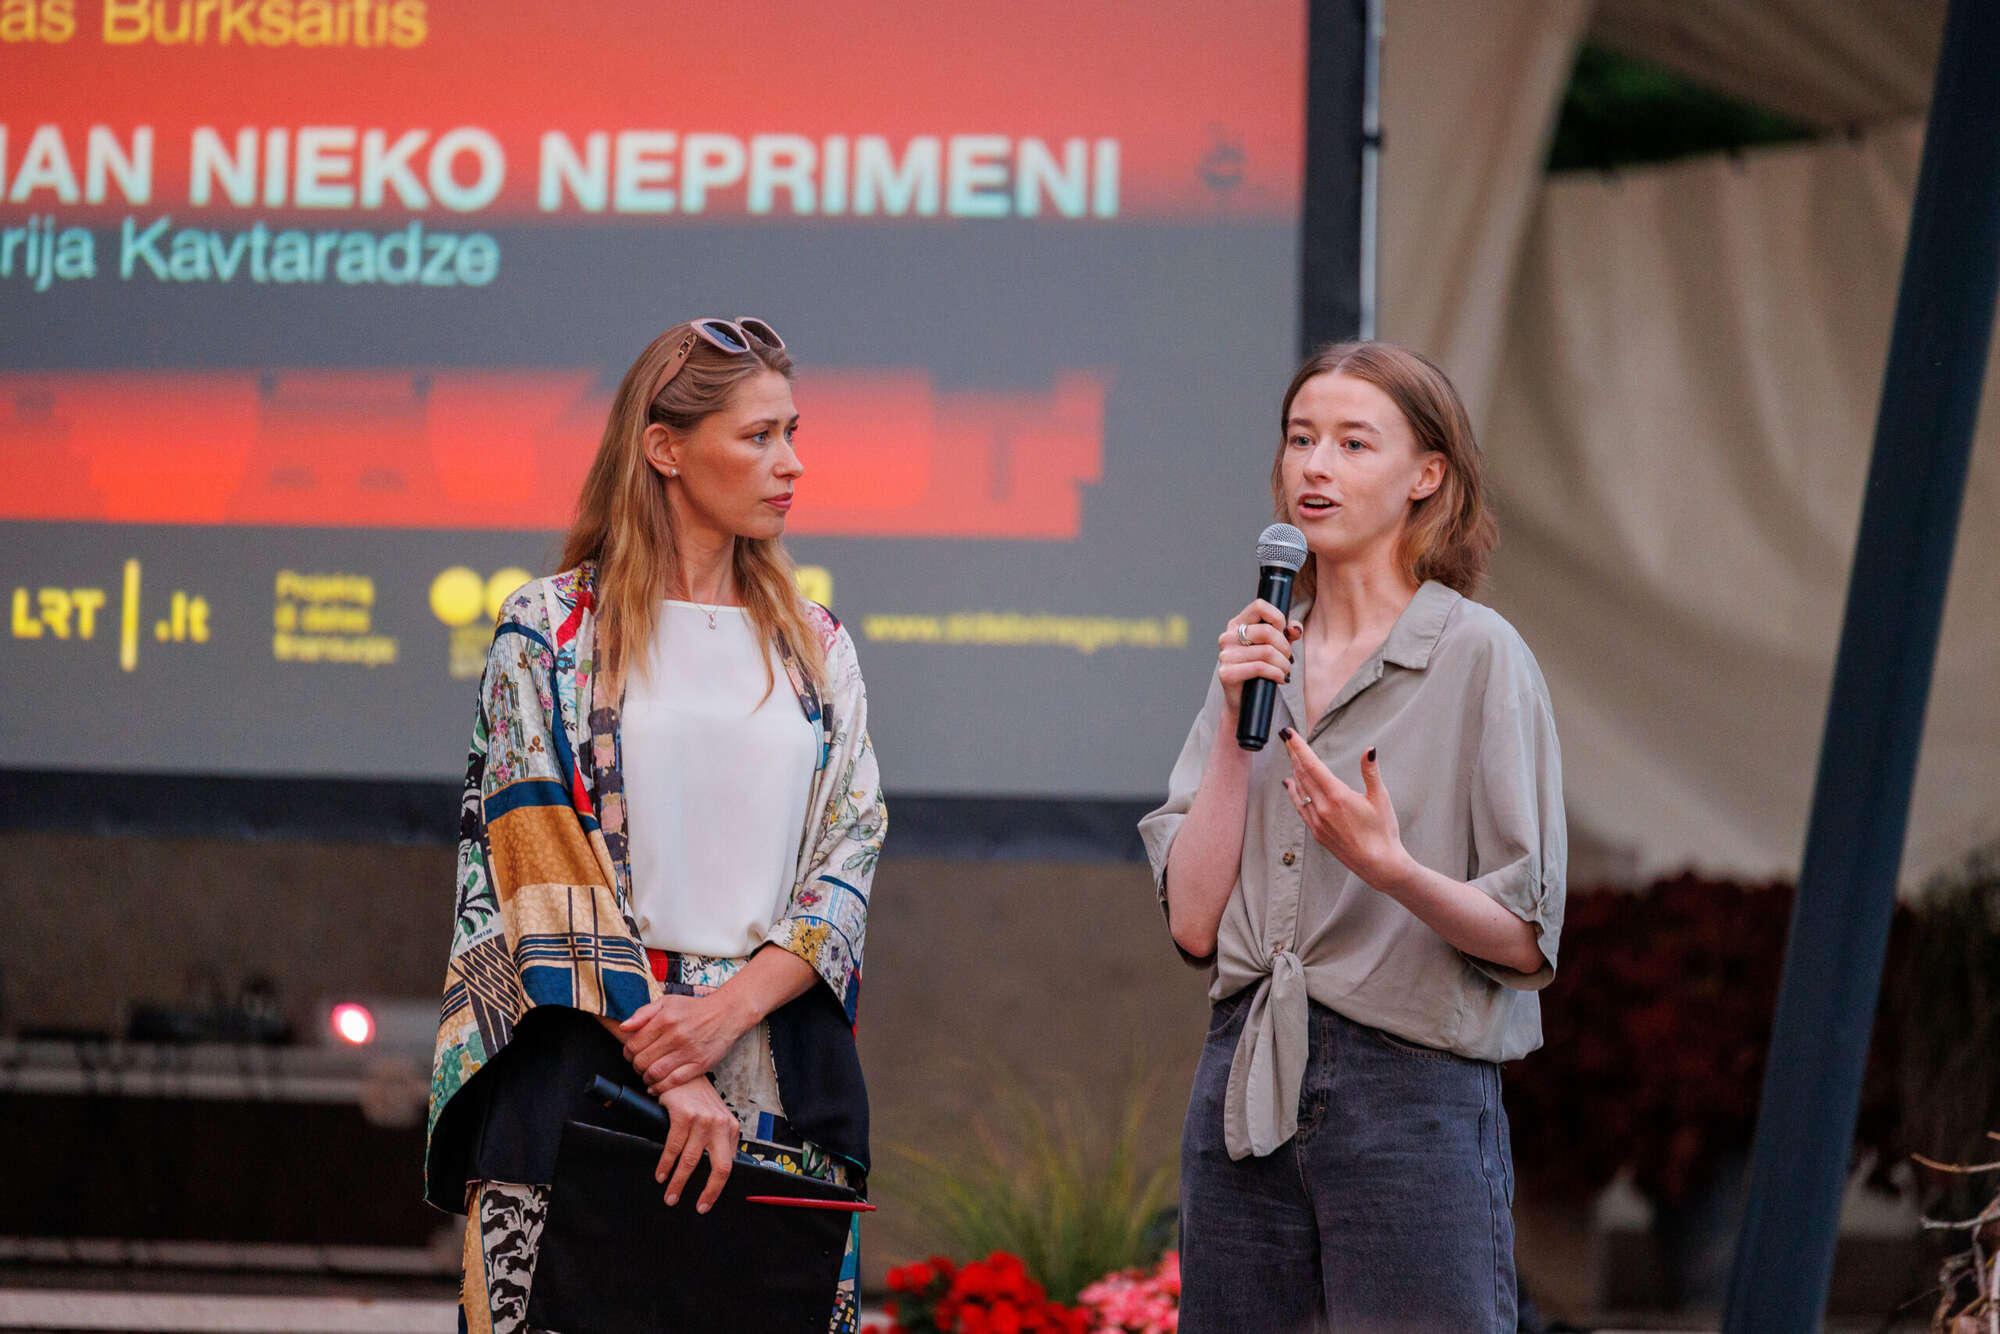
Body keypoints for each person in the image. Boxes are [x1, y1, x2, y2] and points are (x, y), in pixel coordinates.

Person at [424, 317, 886, 1334]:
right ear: (664, 447)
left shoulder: (815, 645)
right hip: (583, 1073)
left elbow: (850, 846)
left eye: (792, 432)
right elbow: (537, 853)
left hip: (774, 1073)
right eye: (758, 436)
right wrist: (673, 1064)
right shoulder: (548, 630)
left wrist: (722, 1017)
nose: (791, 463)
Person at [1139, 341, 1565, 1333]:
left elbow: (1525, 939)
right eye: (1300, 440)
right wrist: (1236, 725)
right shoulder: (1256, 649)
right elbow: (1193, 924)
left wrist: (1392, 869)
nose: (1314, 467)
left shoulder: (1477, 655)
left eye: (1351, 443)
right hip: (1243, 1075)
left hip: (1409, 1095)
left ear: (1427, 476)